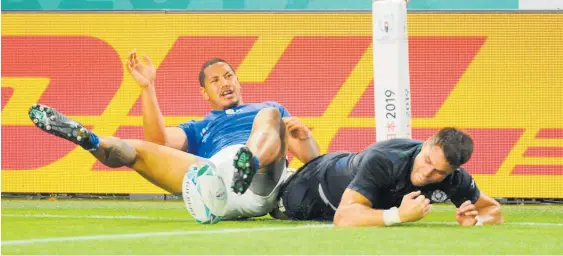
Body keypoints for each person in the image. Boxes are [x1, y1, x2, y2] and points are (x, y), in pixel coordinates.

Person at [28, 52, 320, 220]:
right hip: (213, 185)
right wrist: (147, 88)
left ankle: (249, 162)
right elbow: (159, 143)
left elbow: (314, 162)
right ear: (204, 94)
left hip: (260, 181)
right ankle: (89, 140)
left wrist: (303, 137)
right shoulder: (198, 127)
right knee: (139, 150)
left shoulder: (269, 110)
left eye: (229, 76)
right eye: (215, 81)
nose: (225, 83)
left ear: (239, 82)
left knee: (269, 116)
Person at [273, 128, 503, 227]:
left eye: (439, 172)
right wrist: (398, 215)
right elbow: (343, 218)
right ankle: (282, 168)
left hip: (346, 196)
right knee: (273, 204)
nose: (426, 173)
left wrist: (476, 221)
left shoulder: (455, 179)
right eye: (428, 161)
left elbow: (493, 210)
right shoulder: (384, 159)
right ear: (426, 144)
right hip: (309, 189)